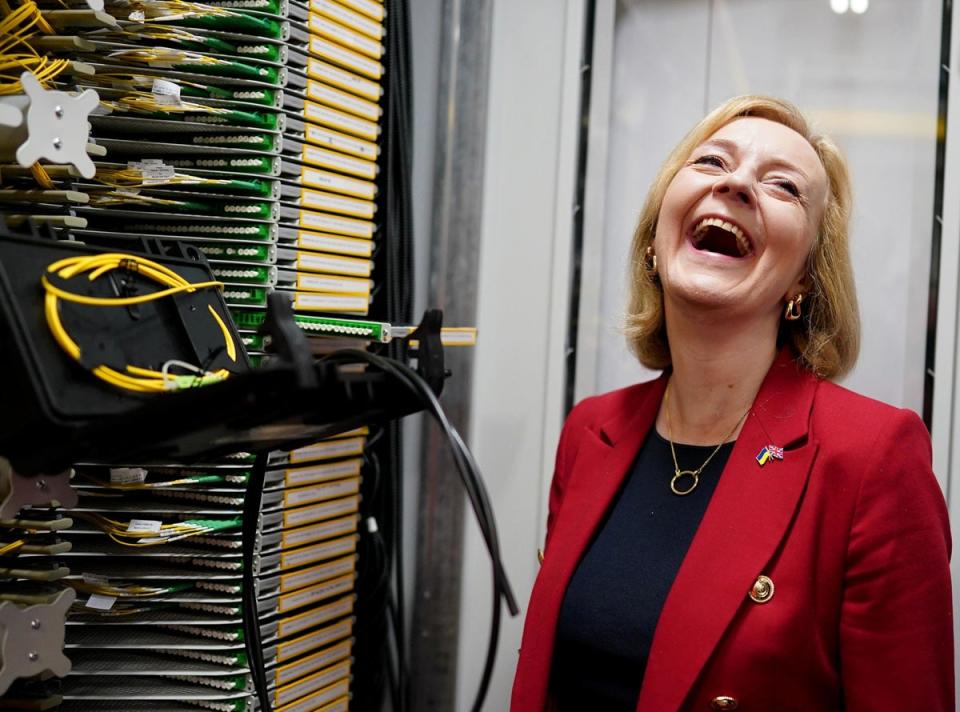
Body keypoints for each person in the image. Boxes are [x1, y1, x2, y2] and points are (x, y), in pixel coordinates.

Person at [511, 95, 953, 711]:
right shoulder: (592, 430)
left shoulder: (873, 459)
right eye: (713, 161)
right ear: (655, 241)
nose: (737, 182)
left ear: (804, 278)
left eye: (784, 186)